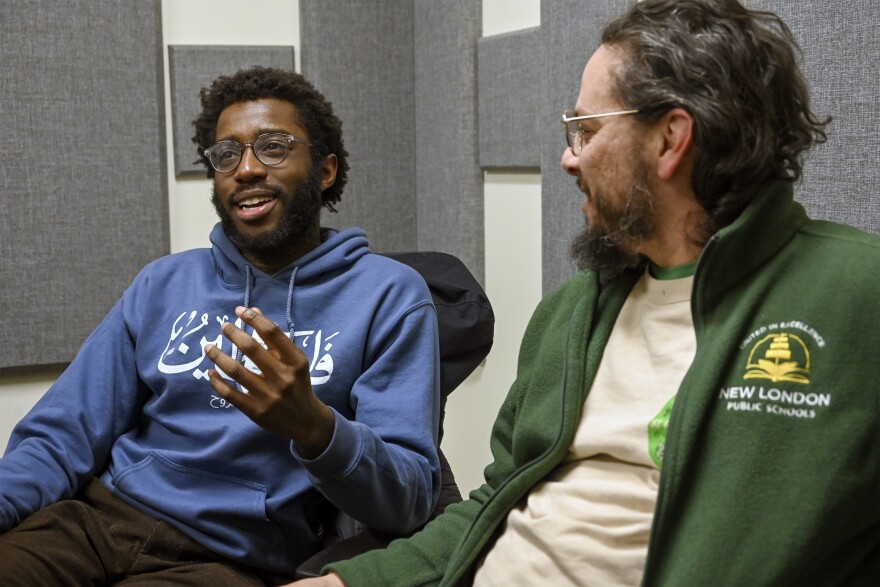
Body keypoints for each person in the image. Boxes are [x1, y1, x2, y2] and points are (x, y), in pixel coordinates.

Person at [291, 0, 880, 585]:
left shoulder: (852, 294)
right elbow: (493, 504)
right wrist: (354, 582)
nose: (569, 159)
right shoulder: (573, 311)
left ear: (670, 139)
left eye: (585, 130)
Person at [0, 66, 441, 585]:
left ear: (325, 170)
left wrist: (314, 427)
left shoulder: (390, 295)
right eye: (226, 154)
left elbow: (410, 500)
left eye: (273, 147)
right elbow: (60, 437)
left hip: (230, 558)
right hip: (95, 522)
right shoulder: (163, 282)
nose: (246, 169)